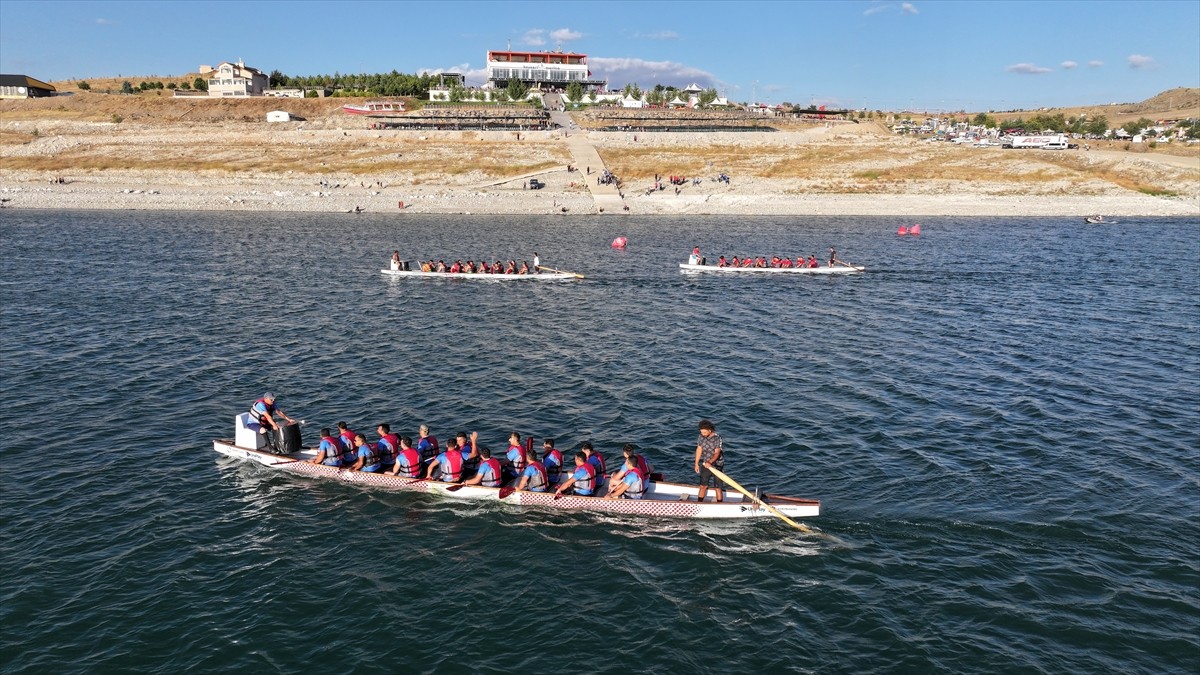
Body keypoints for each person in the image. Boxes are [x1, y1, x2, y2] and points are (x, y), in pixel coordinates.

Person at [688, 419, 723, 502]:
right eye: (701, 432)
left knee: (718, 488)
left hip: (717, 465)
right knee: (702, 486)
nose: (702, 434)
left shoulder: (717, 438)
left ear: (710, 430)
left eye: (704, 432)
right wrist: (696, 463)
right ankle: (699, 502)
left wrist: (710, 462)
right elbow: (699, 449)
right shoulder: (701, 437)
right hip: (705, 464)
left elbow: (717, 453)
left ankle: (720, 504)